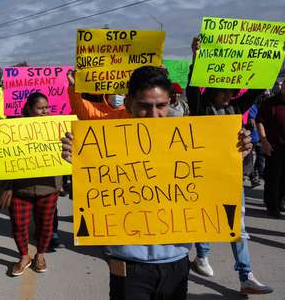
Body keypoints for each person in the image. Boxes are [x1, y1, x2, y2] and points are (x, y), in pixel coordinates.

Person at [61, 65, 253, 299]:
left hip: (177, 262)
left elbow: (211, 176)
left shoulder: (187, 136)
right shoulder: (106, 139)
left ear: (170, 102)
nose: (153, 114)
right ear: (130, 101)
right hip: (127, 265)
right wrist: (79, 159)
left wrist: (234, 154)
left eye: (160, 106)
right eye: (144, 106)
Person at [186, 37, 272, 295]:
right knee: (205, 219)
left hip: (230, 176)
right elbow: (193, 86)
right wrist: (196, 57)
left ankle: (246, 275)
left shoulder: (236, 107)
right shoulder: (202, 107)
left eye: (230, 91)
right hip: (203, 174)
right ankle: (202, 256)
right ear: (212, 91)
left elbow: (256, 90)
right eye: (222, 91)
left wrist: (271, 57)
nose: (227, 96)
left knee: (238, 225)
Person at [0, 92, 61, 276]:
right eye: (40, 108)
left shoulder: (56, 127)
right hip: (20, 188)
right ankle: (24, 256)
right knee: (19, 224)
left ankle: (40, 255)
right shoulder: (13, 127)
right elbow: (4, 156)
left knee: (46, 224)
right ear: (29, 109)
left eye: (47, 108)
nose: (45, 111)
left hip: (48, 187)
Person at [256, 76, 285, 218]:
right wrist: (264, 141)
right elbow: (260, 121)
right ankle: (272, 206)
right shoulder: (270, 103)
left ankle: (281, 201)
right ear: (282, 86)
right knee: (273, 178)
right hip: (274, 147)